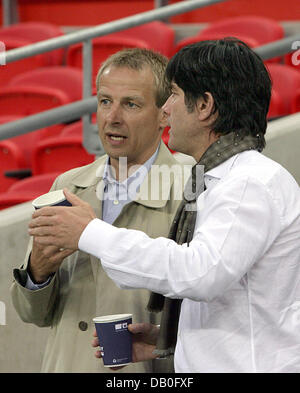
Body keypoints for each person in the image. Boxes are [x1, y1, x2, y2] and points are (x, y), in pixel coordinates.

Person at [27, 39, 300, 373]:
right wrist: (170, 337)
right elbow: (234, 299)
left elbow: (199, 273)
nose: (166, 109)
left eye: (174, 94)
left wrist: (91, 233)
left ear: (204, 106)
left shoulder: (248, 183)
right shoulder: (224, 178)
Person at [10, 48, 185, 373]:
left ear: (164, 114)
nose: (112, 117)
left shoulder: (189, 187)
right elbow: (30, 313)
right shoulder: (68, 185)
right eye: (105, 101)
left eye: (130, 104)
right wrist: (37, 274)